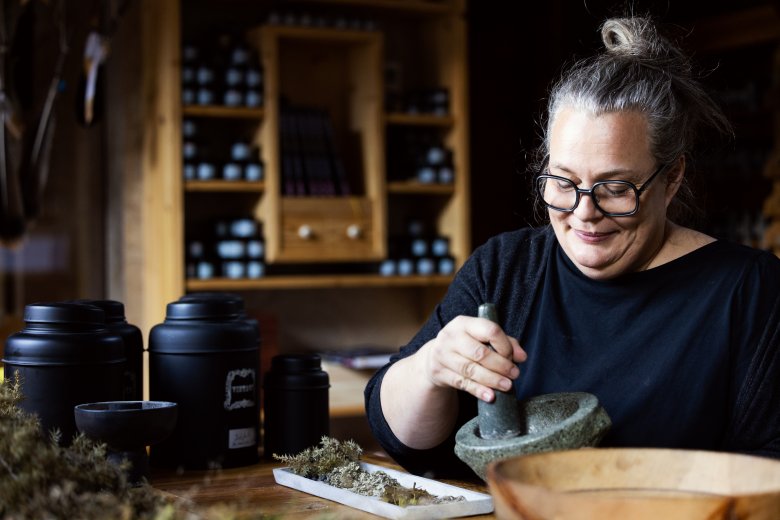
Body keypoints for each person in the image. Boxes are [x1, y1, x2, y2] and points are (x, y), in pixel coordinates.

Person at [364, 15, 780, 478]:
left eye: (616, 188)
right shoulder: (506, 268)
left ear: (673, 177)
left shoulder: (750, 291)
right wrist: (431, 368)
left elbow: (768, 472)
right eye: (564, 181)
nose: (584, 212)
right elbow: (400, 438)